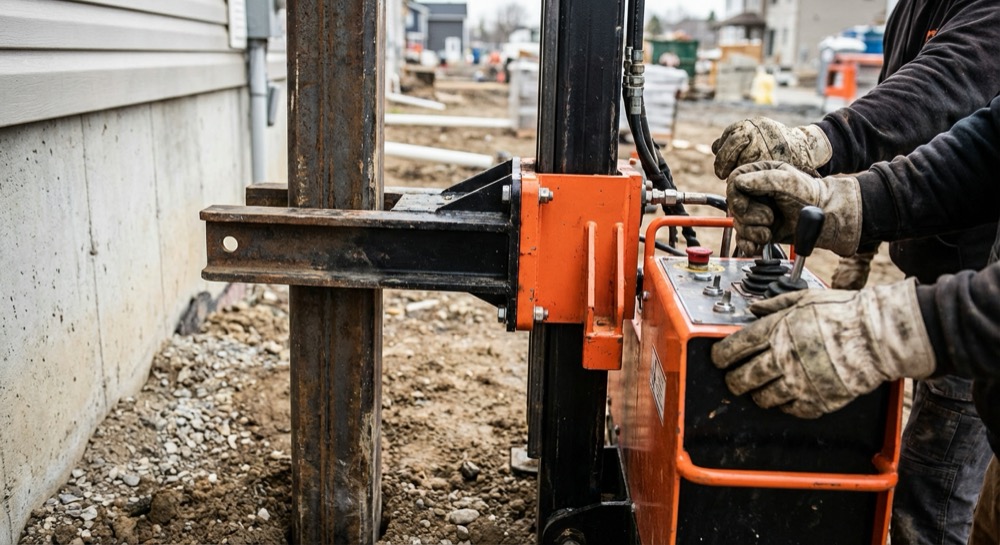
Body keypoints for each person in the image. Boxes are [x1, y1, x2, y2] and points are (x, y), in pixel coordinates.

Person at [710, 2, 1000, 542]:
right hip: (953, 302)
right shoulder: (915, 6)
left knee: (931, 495)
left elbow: (946, 88)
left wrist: (898, 328)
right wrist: (848, 207)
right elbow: (983, 149)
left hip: (972, 299)